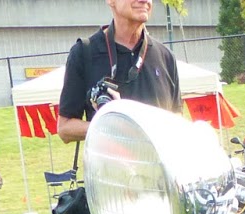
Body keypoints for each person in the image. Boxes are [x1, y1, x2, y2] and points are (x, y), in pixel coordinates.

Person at [57, 0, 184, 144]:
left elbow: (177, 119)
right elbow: (65, 128)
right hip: (107, 159)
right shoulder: (84, 52)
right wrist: (110, 126)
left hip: (156, 159)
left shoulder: (166, 56)